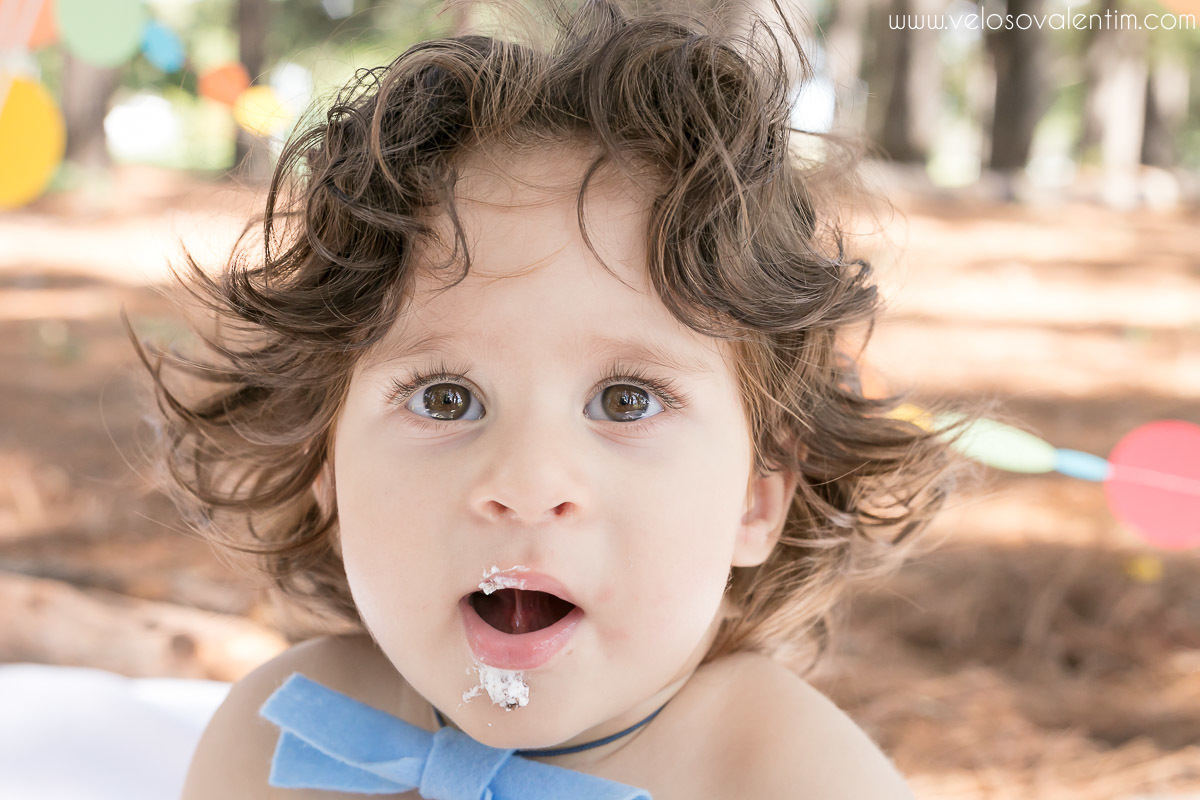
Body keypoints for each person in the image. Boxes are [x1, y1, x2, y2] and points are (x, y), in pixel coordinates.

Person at [132, 0, 975, 796]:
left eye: (627, 401)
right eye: (446, 399)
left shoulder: (792, 778)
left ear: (758, 497)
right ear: (326, 470)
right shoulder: (279, 738)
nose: (528, 482)